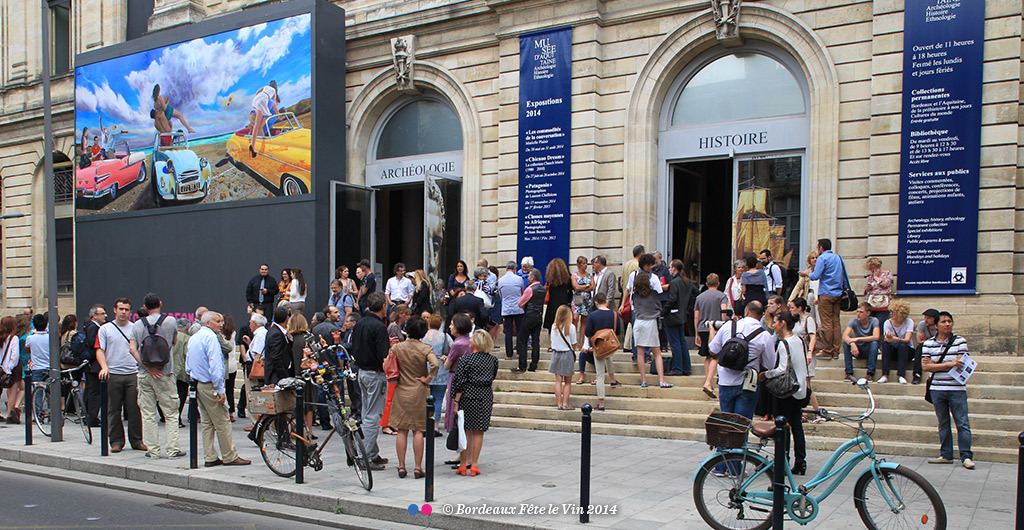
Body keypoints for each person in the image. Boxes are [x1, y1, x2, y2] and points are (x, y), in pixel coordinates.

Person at [704, 301, 776, 467]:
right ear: (761, 315)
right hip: (747, 384)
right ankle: (735, 468)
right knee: (740, 426)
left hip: (725, 382)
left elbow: (713, 350)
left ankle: (721, 466)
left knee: (725, 424)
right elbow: (770, 364)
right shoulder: (764, 334)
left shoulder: (729, 326)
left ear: (747, 311)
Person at [186, 311, 250, 467]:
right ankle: (229, 455)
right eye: (218, 321)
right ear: (208, 323)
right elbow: (216, 366)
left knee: (207, 422)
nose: (221, 324)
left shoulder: (194, 337)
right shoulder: (211, 338)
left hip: (198, 383)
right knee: (222, 421)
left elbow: (188, 364)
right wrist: (220, 390)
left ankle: (210, 456)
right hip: (210, 385)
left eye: (221, 321)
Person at [128, 293, 183, 458]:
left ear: (144, 307)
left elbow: (132, 349)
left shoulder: (137, 325)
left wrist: (148, 368)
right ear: (160, 303)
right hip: (165, 373)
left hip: (145, 374)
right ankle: (173, 449)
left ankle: (153, 450)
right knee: (171, 413)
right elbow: (173, 342)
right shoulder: (170, 321)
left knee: (148, 413)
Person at [922, 312, 974, 469]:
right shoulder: (928, 343)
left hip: (956, 388)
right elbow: (925, 367)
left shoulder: (960, 341)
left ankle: (966, 456)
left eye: (950, 321)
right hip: (937, 388)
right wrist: (949, 364)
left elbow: (961, 362)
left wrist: (937, 365)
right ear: (936, 325)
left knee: (962, 422)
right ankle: (946, 454)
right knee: (943, 422)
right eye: (944, 321)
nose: (947, 324)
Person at [389, 317, 439, 478]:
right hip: (419, 390)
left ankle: (402, 466)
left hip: (402, 389)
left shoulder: (398, 347)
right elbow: (435, 364)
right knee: (418, 430)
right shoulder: (425, 348)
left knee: (402, 430)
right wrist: (428, 378)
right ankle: (418, 467)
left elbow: (389, 363)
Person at [761, 311, 809, 474]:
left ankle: (783, 461)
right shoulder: (799, 340)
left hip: (788, 391)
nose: (773, 325)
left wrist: (766, 374)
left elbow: (782, 369)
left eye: (775, 322)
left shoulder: (784, 343)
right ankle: (801, 461)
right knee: (797, 426)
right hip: (800, 389)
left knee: (784, 426)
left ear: (782, 323)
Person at [97, 298, 145, 453]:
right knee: (114, 409)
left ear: (130, 312)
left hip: (132, 373)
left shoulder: (135, 328)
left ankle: (137, 440)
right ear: (114, 310)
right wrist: (105, 367)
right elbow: (99, 350)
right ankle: (116, 441)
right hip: (114, 373)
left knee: (134, 409)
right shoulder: (105, 329)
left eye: (126, 309)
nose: (123, 312)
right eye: (121, 309)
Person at [351, 291, 391, 470]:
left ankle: (372, 453)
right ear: (383, 306)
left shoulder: (360, 323)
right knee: (372, 417)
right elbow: (383, 354)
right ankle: (365, 456)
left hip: (362, 371)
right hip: (374, 373)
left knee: (367, 413)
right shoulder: (378, 326)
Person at [449, 330, 499, 476]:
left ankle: (464, 463)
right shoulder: (493, 360)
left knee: (465, 430)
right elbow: (492, 377)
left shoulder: (466, 360)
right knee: (479, 431)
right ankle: (475, 464)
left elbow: (459, 383)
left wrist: (456, 401)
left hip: (468, 396)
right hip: (485, 396)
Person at [802, 239, 847, 360]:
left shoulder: (822, 258)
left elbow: (816, 276)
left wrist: (805, 274)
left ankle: (827, 350)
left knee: (827, 323)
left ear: (821, 247)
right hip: (838, 293)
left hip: (826, 293)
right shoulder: (838, 258)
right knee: (836, 322)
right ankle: (836, 350)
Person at [631, 265, 671, 388]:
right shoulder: (653, 294)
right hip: (650, 322)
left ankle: (644, 380)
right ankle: (661, 379)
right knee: (657, 352)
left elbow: (633, 307)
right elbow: (658, 307)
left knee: (640, 353)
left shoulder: (634, 295)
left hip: (638, 321)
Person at [584, 293, 622, 411]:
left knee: (600, 375)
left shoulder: (593, 316)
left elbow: (587, 332)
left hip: (599, 346)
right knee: (609, 357)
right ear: (605, 301)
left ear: (596, 302)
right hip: (610, 345)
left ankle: (601, 403)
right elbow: (619, 331)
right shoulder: (614, 314)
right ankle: (612, 379)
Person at [694, 273, 729, 392]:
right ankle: (712, 379)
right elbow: (724, 312)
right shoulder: (722, 296)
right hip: (717, 328)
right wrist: (725, 323)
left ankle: (707, 378)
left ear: (706, 284)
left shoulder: (700, 297)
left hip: (703, 327)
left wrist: (696, 332)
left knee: (707, 355)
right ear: (718, 284)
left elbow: (696, 316)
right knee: (716, 355)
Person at [380, 304, 412, 436]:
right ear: (401, 314)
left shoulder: (396, 327)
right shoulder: (394, 327)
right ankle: (386, 424)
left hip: (395, 363)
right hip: (394, 364)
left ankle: (390, 422)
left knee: (392, 396)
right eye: (407, 314)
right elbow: (394, 346)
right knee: (390, 396)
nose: (408, 317)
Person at [788, 297, 820, 420]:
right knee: (802, 384)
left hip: (806, 353)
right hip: (797, 354)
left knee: (806, 384)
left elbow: (813, 337)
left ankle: (815, 411)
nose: (791, 310)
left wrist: (810, 352)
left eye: (792, 307)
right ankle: (805, 412)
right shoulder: (795, 321)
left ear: (799, 308)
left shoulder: (808, 320)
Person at [664, 259, 696, 376]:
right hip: (682, 314)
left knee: (675, 342)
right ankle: (686, 367)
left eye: (670, 267)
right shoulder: (687, 281)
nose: (669, 269)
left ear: (674, 268)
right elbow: (696, 293)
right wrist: (687, 307)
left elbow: (672, 299)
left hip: (672, 315)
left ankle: (677, 367)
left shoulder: (675, 282)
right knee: (682, 341)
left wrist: (664, 311)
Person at [422, 314, 452, 436]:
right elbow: (452, 347)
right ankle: (435, 426)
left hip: (426, 367)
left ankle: (426, 424)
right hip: (441, 368)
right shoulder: (444, 336)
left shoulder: (423, 336)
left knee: (426, 398)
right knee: (438, 398)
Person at [81, 304, 108, 427]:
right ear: (94, 316)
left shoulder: (92, 326)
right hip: (94, 364)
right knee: (95, 392)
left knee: (91, 391)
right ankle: (92, 417)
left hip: (91, 365)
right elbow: (93, 344)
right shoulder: (93, 327)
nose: (105, 316)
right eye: (102, 314)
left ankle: (88, 415)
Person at [513, 269, 544, 373]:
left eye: (529, 276)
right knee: (536, 341)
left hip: (529, 316)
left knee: (523, 340)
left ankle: (522, 365)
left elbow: (520, 303)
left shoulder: (529, 289)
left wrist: (525, 309)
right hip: (539, 316)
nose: (528, 278)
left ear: (533, 278)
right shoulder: (543, 289)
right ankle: (533, 365)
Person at [287, 313, 314, 434]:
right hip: (307, 375)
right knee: (308, 404)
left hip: (294, 375)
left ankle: (296, 429)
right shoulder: (308, 339)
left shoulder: (290, 339)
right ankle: (309, 430)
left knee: (295, 405)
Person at [842, 302, 880, 382]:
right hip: (857, 350)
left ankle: (870, 374)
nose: (858, 314)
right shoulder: (854, 321)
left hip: (868, 349)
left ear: (868, 313)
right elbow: (845, 336)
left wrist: (857, 339)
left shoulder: (874, 321)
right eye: (857, 312)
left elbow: (876, 336)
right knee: (846, 343)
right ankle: (848, 373)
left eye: (861, 312)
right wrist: (852, 343)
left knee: (874, 343)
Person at [878, 298, 913, 384]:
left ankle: (901, 375)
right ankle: (885, 375)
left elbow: (907, 340)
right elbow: (887, 339)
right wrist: (890, 339)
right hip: (893, 350)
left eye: (894, 312)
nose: (891, 314)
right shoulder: (887, 322)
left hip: (907, 351)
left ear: (901, 313)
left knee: (902, 345)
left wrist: (895, 339)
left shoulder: (909, 322)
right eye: (891, 311)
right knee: (886, 345)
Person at [548, 305, 577, 410]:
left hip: (556, 354)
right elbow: (574, 343)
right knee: (568, 381)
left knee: (558, 381)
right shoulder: (571, 327)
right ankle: (565, 403)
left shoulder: (554, 326)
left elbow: (552, 341)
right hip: (567, 353)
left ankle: (559, 404)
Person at [497, 261, 524, 360]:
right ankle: (519, 352)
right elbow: (522, 292)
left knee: (508, 331)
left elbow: (500, 294)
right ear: (515, 269)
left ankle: (509, 354)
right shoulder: (519, 279)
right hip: (518, 307)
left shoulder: (501, 280)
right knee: (519, 330)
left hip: (506, 308)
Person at [788, 252, 820, 332]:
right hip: (809, 296)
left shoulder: (821, 271)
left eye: (816, 257)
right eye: (812, 258)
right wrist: (791, 299)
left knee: (819, 319)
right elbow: (798, 286)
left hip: (819, 297)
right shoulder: (807, 271)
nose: (815, 259)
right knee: (809, 317)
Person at [25, 314, 50, 413]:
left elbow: (27, 349)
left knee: (37, 392)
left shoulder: (31, 338)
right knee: (51, 392)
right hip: (49, 366)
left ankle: (37, 414)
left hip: (37, 367)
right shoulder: (50, 338)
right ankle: (52, 413)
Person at [247, 81, 278, 157]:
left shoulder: (265, 87)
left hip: (256, 100)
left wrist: (255, 105)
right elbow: (273, 103)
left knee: (256, 125)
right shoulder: (274, 91)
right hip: (263, 100)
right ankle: (261, 130)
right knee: (269, 115)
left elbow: (257, 92)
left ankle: (253, 146)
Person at [263, 307, 292, 386]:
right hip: (276, 377)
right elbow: (276, 357)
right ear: (286, 318)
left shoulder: (277, 331)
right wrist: (284, 377)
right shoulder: (276, 334)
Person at [542, 258, 573, 332]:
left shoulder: (550, 280)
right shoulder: (568, 279)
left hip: (552, 305)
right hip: (564, 304)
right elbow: (570, 292)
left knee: (551, 328)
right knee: (564, 326)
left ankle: (551, 343)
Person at [0, 317, 21, 423]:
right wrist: (8, 369)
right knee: (12, 391)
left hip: (0, 367)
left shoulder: (1, 337)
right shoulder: (14, 338)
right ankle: (9, 415)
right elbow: (15, 356)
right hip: (10, 368)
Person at [864, 257, 894, 326]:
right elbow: (868, 289)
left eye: (873, 268)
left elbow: (885, 284)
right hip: (872, 303)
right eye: (871, 269)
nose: (872, 270)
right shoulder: (871, 277)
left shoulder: (887, 274)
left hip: (882, 303)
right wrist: (867, 288)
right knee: (870, 322)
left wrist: (877, 278)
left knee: (879, 322)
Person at [171, 318, 191, 426]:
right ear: (187, 328)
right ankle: (177, 417)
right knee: (181, 394)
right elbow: (187, 354)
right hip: (182, 371)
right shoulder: (187, 338)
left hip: (170, 369)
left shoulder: (171, 336)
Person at [913, 309, 939, 385]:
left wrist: (926, 339)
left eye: (928, 318)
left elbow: (941, 341)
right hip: (926, 347)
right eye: (925, 318)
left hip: (937, 348)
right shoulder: (922, 324)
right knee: (919, 349)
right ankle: (917, 374)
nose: (926, 320)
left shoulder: (940, 326)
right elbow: (919, 341)